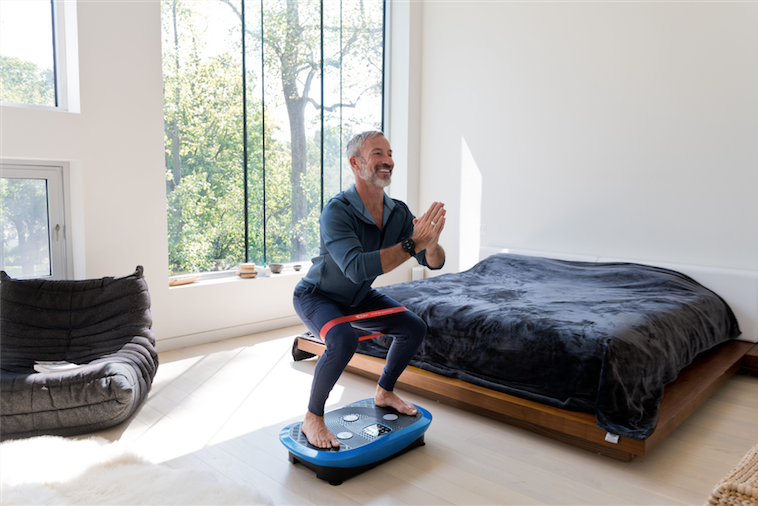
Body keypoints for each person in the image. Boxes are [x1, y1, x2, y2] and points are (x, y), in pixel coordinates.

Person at [292, 130, 447, 449]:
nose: (388, 160)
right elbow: (357, 267)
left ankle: (385, 391)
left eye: (390, 154)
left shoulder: (399, 213)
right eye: (378, 153)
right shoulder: (337, 211)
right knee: (343, 338)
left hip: (358, 298)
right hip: (317, 296)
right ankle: (312, 417)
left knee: (413, 327)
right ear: (355, 162)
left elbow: (434, 262)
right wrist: (412, 243)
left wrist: (431, 245)